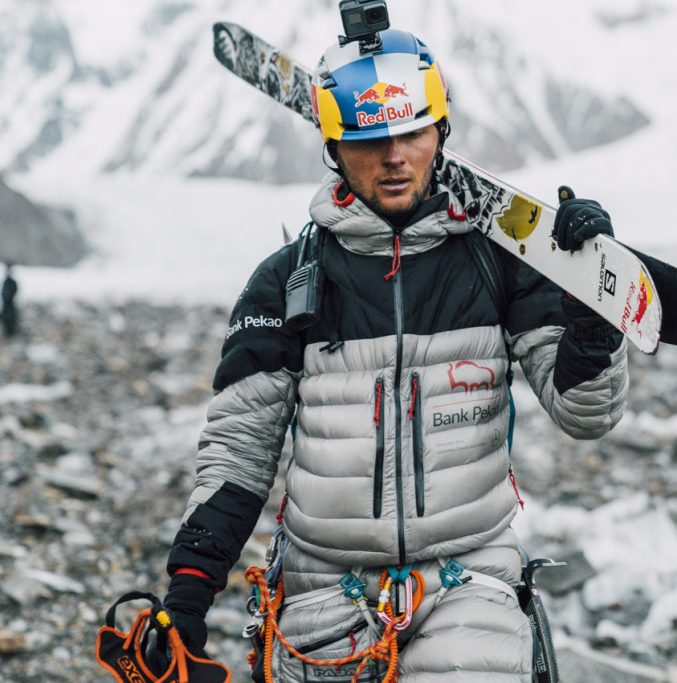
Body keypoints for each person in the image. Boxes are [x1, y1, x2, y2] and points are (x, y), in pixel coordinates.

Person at [154, 28, 628, 682]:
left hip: (471, 581)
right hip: (324, 594)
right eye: (369, 140)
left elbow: (586, 413)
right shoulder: (285, 282)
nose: (396, 157)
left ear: (441, 129)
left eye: (413, 132)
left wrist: (592, 310)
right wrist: (187, 596)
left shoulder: (501, 265)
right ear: (333, 147)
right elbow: (239, 451)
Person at [1, 264, 18, 338]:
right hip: (6, 304)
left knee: (10, 319)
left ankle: (10, 334)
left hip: (10, 304)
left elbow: (14, 291)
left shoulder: (12, 282)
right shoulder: (5, 281)